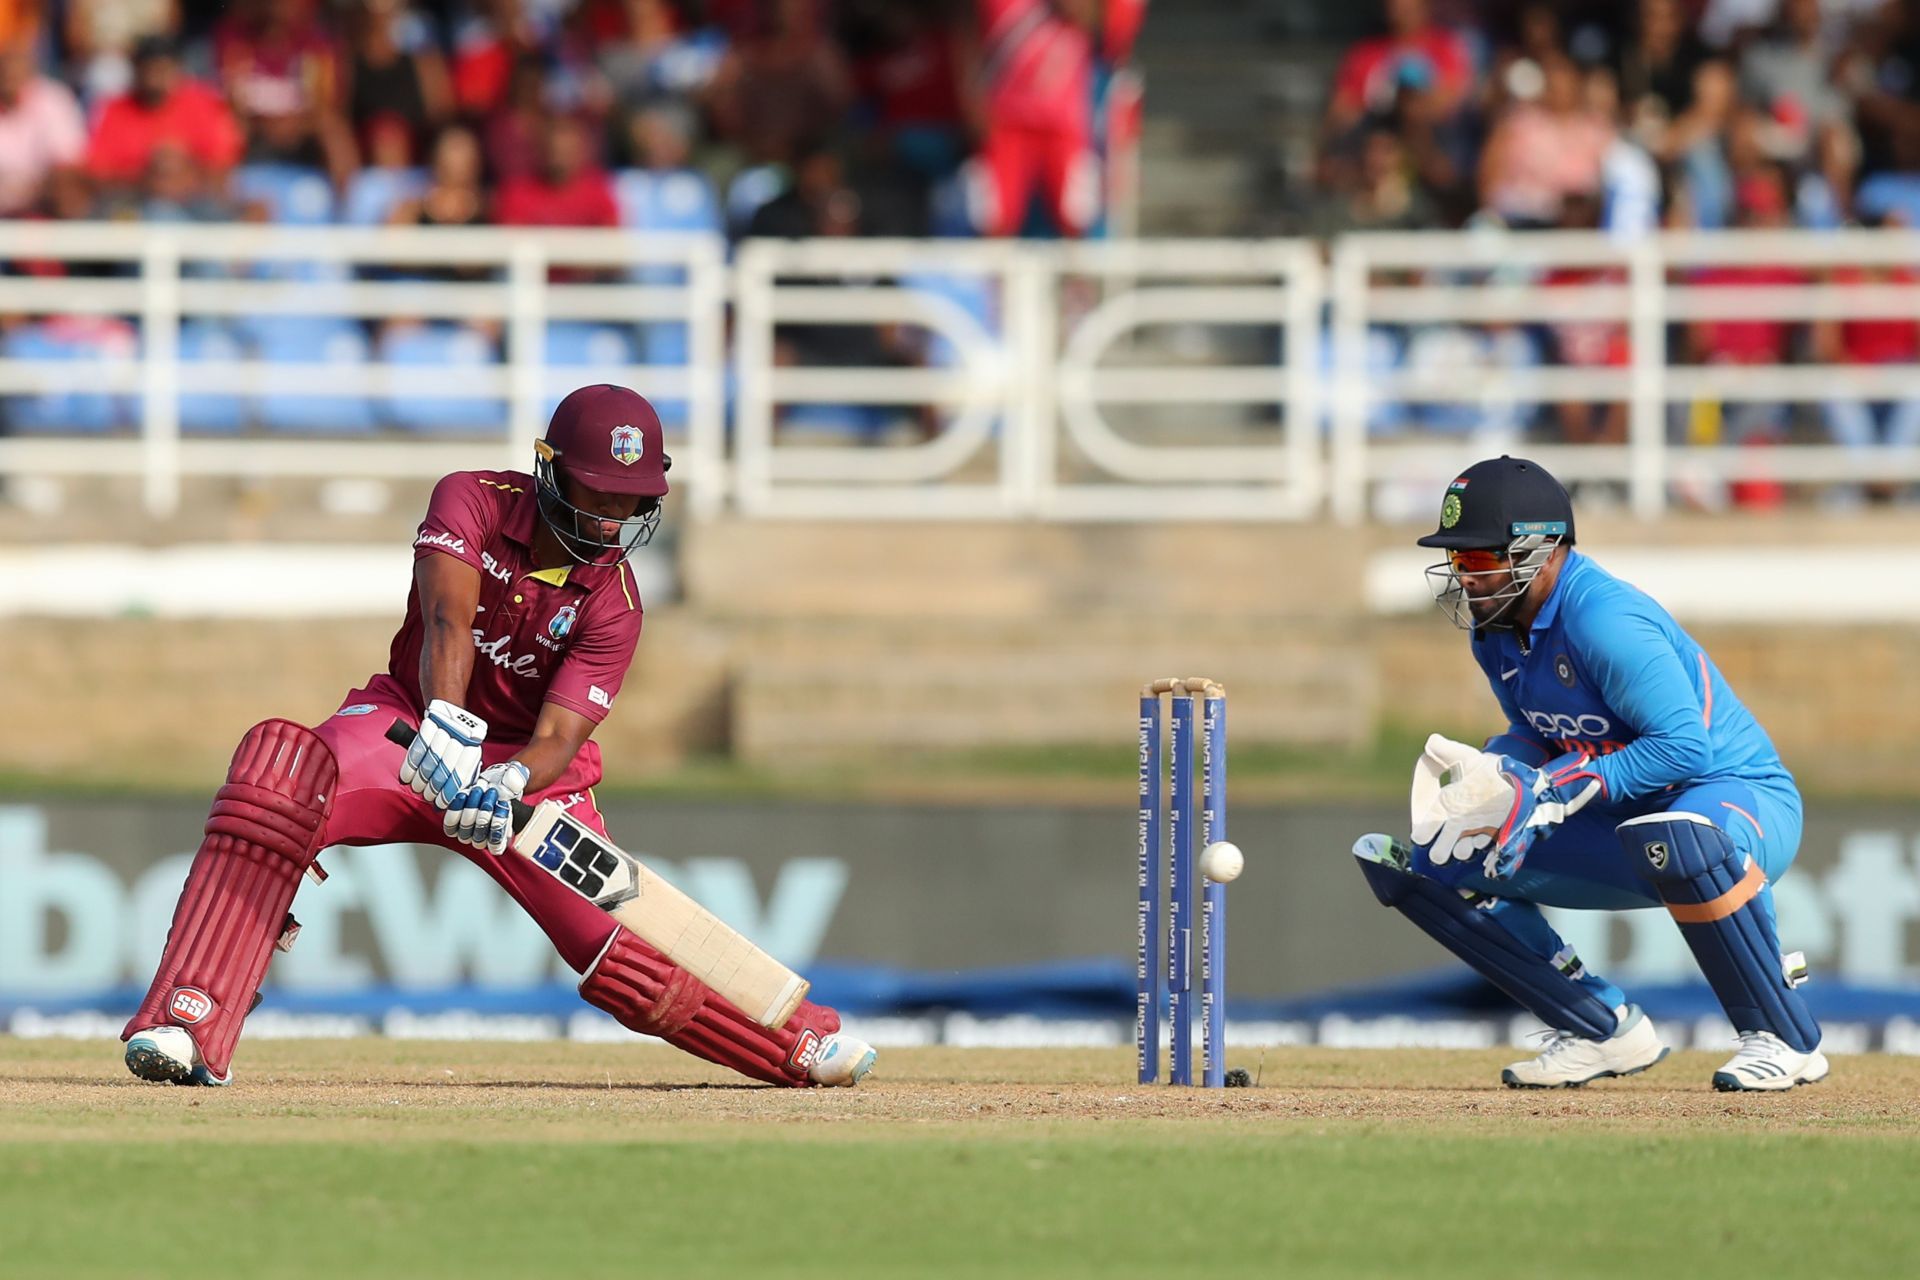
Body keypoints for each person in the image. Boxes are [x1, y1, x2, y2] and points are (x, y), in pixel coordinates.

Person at [121, 385, 878, 1090]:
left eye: (630, 501)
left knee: (620, 953)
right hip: (411, 725)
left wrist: (511, 781)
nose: (612, 521)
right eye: (596, 496)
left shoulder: (615, 604)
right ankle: (189, 1021)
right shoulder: (473, 498)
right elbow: (448, 616)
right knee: (282, 774)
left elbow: (559, 733)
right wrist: (447, 723)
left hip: (530, 783)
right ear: (549, 474)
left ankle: (797, 1043)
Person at [1353, 455, 1826, 1092]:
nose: (1468, 579)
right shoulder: (1496, 632)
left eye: (1482, 560)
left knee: (1679, 830)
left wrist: (1570, 786)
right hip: (1621, 819)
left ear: (1545, 551)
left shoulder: (1603, 619)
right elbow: (1540, 737)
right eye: (1461, 562)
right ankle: (1598, 1027)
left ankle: (1783, 1034)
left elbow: (1686, 750)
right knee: (1440, 860)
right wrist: (1499, 773)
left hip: (1737, 803)